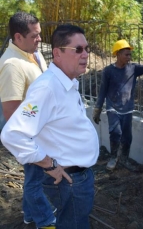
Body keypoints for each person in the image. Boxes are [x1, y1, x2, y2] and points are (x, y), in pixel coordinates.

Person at [1, 24, 100, 229]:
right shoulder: (48, 88)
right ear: (57, 53)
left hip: (76, 178)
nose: (85, 54)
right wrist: (48, 164)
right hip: (68, 180)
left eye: (87, 49)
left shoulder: (67, 82)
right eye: (78, 49)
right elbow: (13, 134)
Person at [0, 12, 56, 228]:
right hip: (30, 134)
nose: (40, 39)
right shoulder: (12, 65)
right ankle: (46, 221)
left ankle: (30, 215)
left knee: (34, 177)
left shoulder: (33, 54)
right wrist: (30, 144)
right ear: (18, 36)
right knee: (36, 181)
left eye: (39, 34)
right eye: (35, 36)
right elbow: (11, 111)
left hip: (41, 130)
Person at [93, 39, 143, 171]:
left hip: (127, 109)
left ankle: (124, 159)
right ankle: (113, 158)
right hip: (113, 107)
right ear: (117, 54)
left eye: (130, 55)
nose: (129, 57)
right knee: (115, 132)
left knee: (127, 137)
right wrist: (97, 108)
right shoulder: (108, 71)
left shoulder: (133, 68)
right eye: (126, 54)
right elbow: (102, 91)